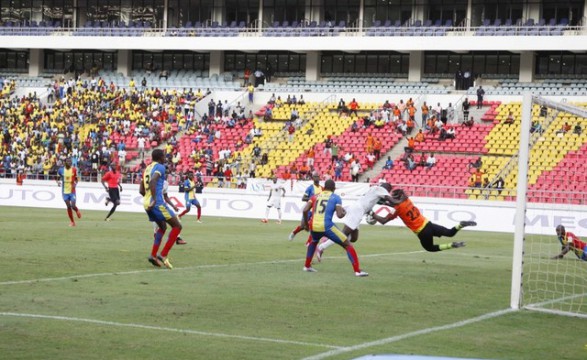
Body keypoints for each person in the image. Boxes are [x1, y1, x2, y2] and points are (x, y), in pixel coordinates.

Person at [371, 187, 477, 252]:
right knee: (450, 233)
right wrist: (386, 203)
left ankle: (452, 245)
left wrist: (372, 214)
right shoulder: (407, 200)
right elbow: (396, 203)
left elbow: (383, 221)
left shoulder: (396, 209)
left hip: (422, 232)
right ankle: (461, 225)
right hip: (429, 225)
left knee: (429, 248)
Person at [301, 179, 368, 277]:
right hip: (326, 226)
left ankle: (307, 266)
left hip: (314, 225)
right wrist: (344, 212)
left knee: (314, 242)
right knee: (347, 244)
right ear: (334, 188)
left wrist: (306, 225)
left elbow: (305, 210)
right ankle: (357, 271)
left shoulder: (315, 196)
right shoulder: (336, 198)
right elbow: (340, 215)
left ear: (324, 187)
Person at [315, 183, 395, 262]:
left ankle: (329, 238)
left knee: (353, 238)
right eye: (388, 191)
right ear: (387, 189)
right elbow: (391, 200)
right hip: (357, 210)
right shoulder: (381, 189)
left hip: (357, 209)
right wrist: (399, 202)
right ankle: (321, 247)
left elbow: (374, 201)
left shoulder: (374, 189)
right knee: (343, 235)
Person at [140, 149, 183, 269]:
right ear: (160, 157)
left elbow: (141, 190)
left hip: (147, 204)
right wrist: (154, 199)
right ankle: (163, 255)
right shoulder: (160, 167)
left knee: (163, 227)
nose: (165, 158)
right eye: (164, 156)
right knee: (177, 226)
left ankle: (153, 255)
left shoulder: (147, 169)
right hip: (157, 203)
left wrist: (149, 199)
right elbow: (153, 180)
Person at [289, 171, 322, 241]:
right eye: (315, 176)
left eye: (317, 176)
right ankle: (294, 233)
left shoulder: (322, 188)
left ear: (319, 177)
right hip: (308, 209)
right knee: (303, 226)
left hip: (316, 211)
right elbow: (303, 198)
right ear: (313, 178)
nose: (316, 178)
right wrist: (313, 198)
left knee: (313, 227)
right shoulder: (310, 188)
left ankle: (309, 242)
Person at [157, 179, 186, 245]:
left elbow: (166, 197)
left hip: (163, 207)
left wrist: (173, 206)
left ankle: (177, 239)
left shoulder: (165, 183)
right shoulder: (153, 180)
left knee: (177, 223)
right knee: (158, 227)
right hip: (155, 207)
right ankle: (157, 245)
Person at [57, 158, 82, 227]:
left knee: (73, 205)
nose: (70, 163)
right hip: (64, 191)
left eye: (70, 162)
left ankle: (76, 210)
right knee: (68, 206)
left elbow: (77, 179)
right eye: (68, 161)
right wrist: (58, 182)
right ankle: (72, 222)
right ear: (65, 162)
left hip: (72, 191)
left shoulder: (74, 169)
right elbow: (57, 178)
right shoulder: (60, 170)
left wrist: (75, 184)